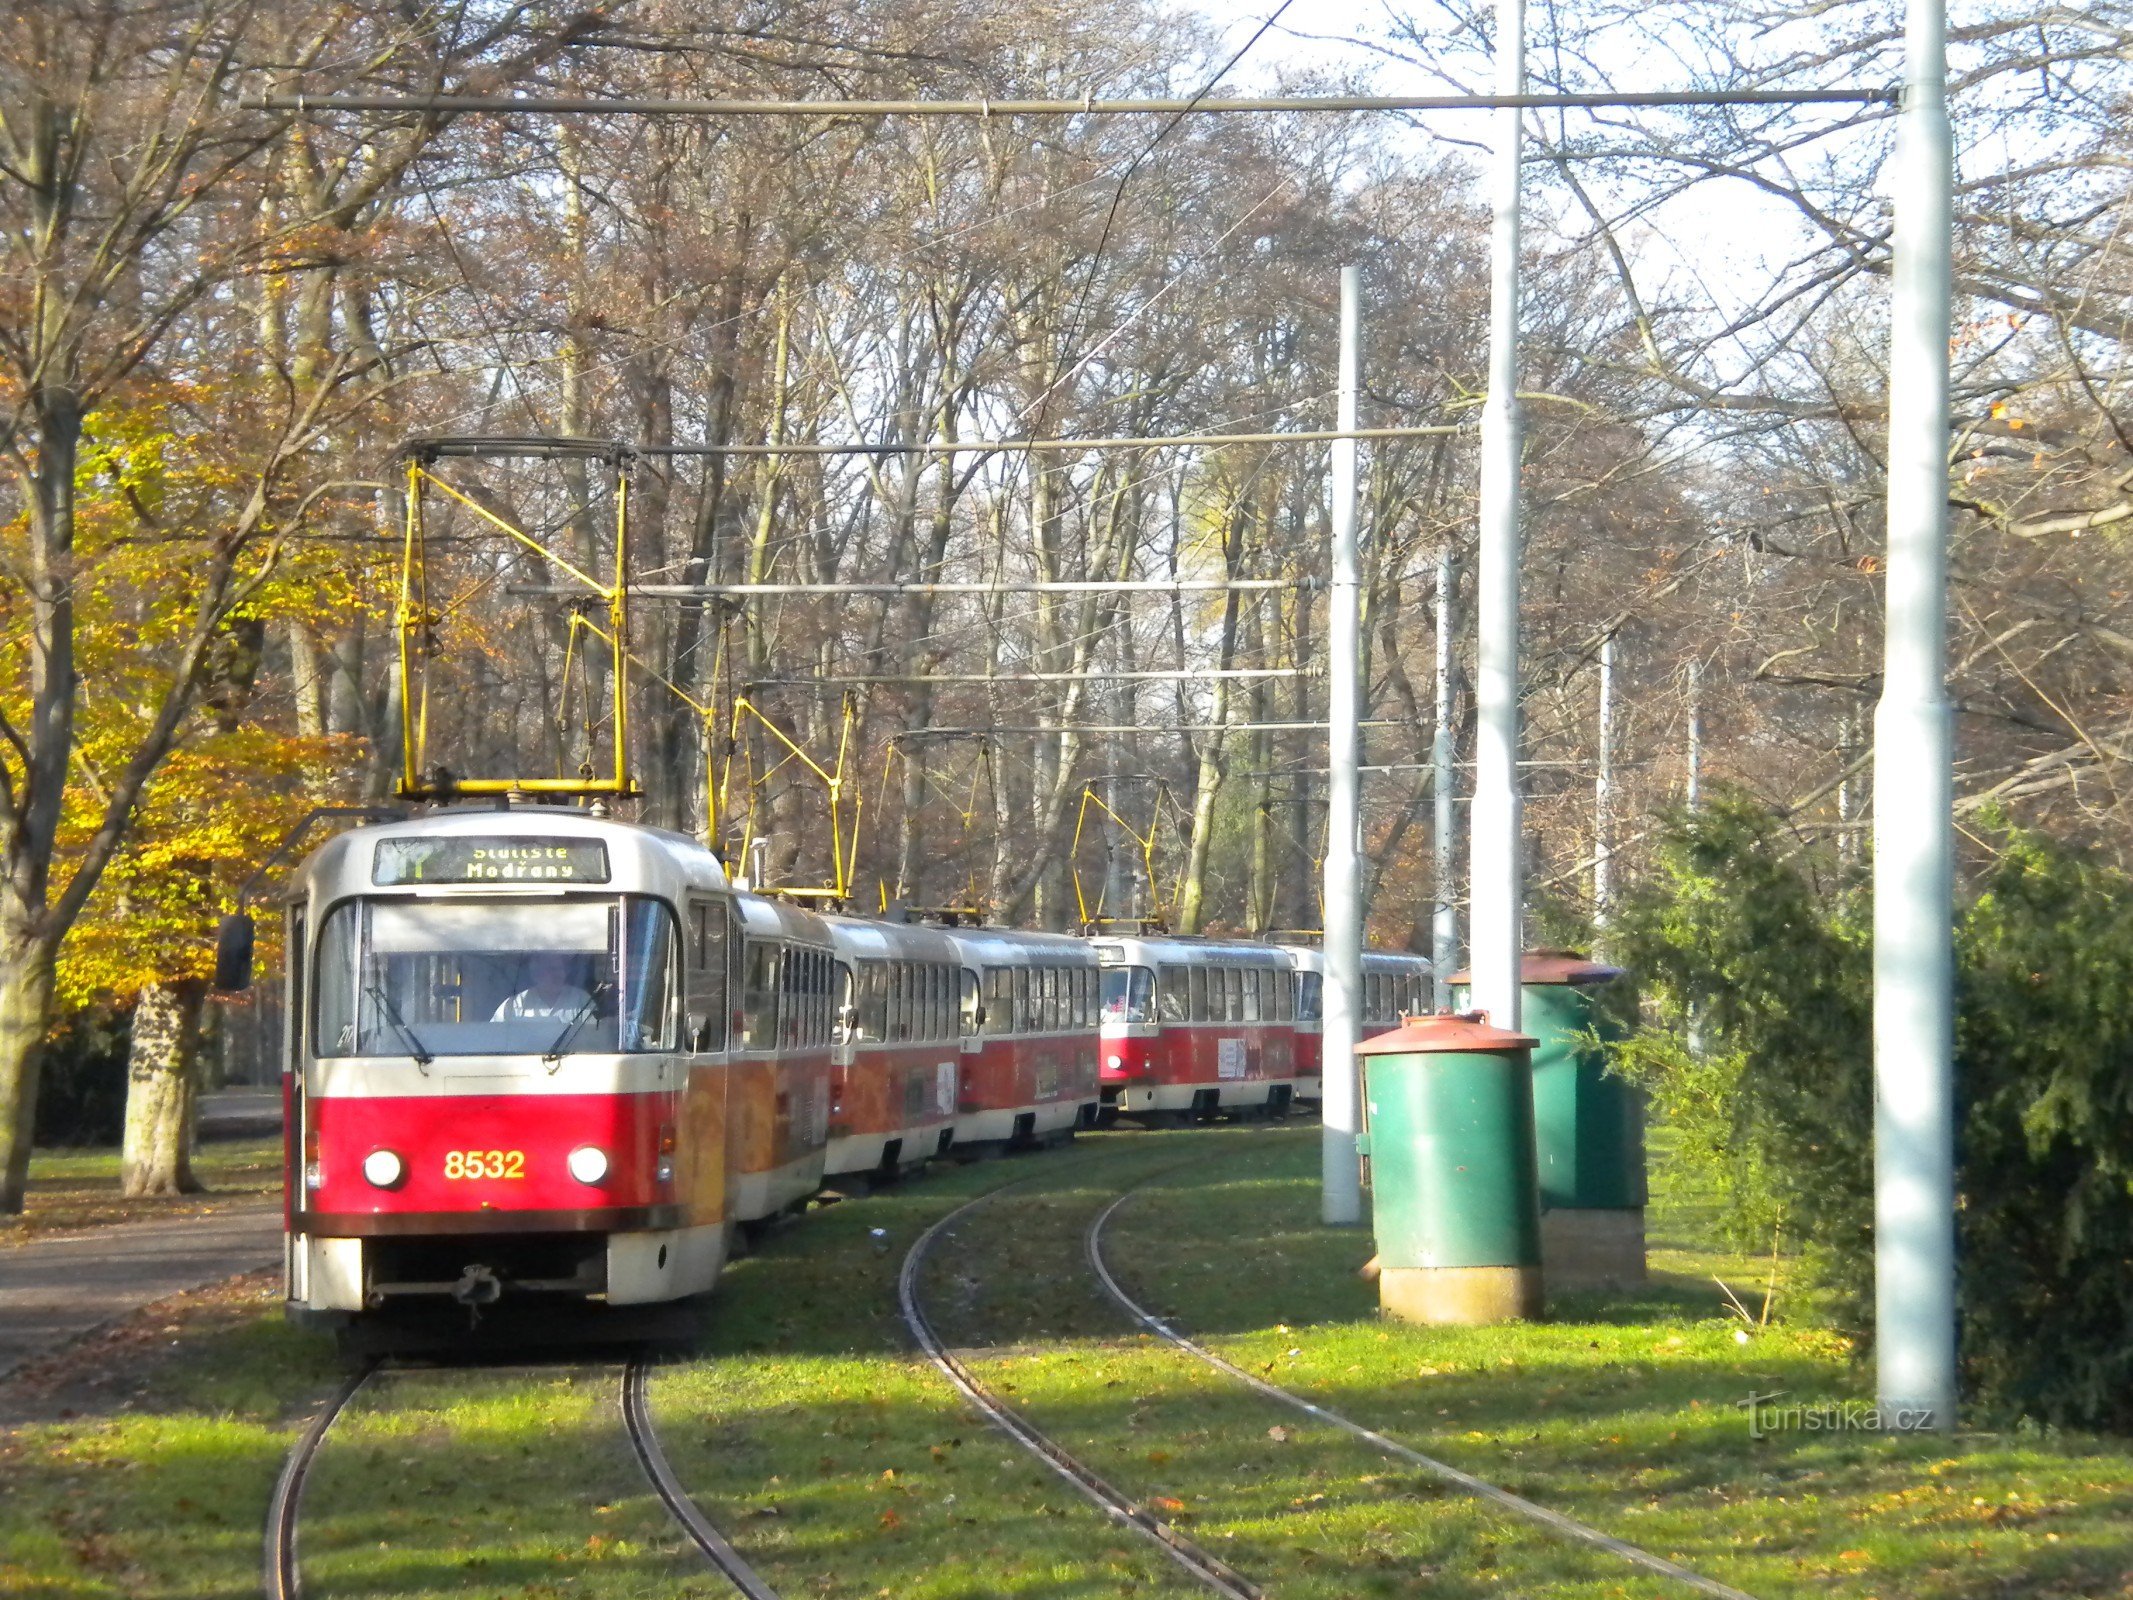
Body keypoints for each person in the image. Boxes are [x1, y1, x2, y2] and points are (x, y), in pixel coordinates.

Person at [493, 952, 594, 1022]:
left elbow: (594, 1037)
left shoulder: (582, 1000)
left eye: (560, 969)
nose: (557, 974)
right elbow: (495, 1038)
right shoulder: (514, 1005)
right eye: (551, 969)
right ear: (536, 974)